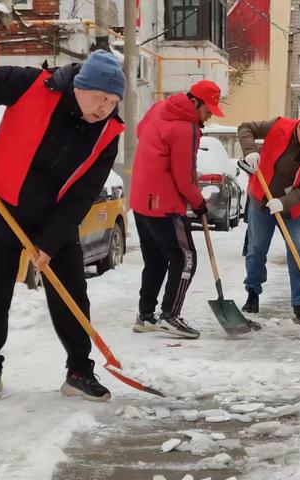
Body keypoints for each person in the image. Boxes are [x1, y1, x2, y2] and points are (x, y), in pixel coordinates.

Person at [0, 50, 126, 401]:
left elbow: (83, 193)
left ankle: (79, 371)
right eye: (100, 98)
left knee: (71, 294)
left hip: (56, 216)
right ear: (80, 87)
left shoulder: (108, 133)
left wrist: (50, 242)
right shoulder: (29, 84)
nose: (105, 108)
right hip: (3, 203)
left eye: (112, 101)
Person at [130, 80, 224, 339]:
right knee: (185, 258)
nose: (208, 117)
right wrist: (199, 203)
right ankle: (170, 316)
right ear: (195, 102)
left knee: (156, 259)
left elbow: (140, 132)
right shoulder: (187, 128)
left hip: (140, 200)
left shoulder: (160, 108)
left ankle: (146, 315)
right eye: (208, 111)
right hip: (165, 206)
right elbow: (184, 178)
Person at [238, 111, 300, 322]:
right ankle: (252, 293)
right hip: (261, 199)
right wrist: (250, 151)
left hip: (292, 208)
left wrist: (283, 202)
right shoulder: (279, 126)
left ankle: (299, 302)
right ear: (299, 128)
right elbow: (245, 126)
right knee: (257, 248)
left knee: (298, 251)